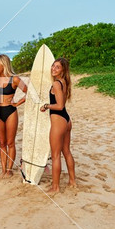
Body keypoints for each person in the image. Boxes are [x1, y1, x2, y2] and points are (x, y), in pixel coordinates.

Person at [40, 58, 77, 193]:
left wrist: (46, 106)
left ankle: (55, 187)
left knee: (55, 155)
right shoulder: (64, 82)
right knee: (66, 151)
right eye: (53, 66)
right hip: (66, 120)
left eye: (57, 67)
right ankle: (72, 181)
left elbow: (59, 105)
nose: (53, 69)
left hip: (59, 121)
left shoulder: (56, 84)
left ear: (63, 70)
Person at [0, 54, 27, 178]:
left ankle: (9, 169)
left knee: (10, 142)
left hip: (10, 112)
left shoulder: (14, 79)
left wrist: (17, 103)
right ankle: (3, 169)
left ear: (4, 64)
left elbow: (29, 92)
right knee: (1, 143)